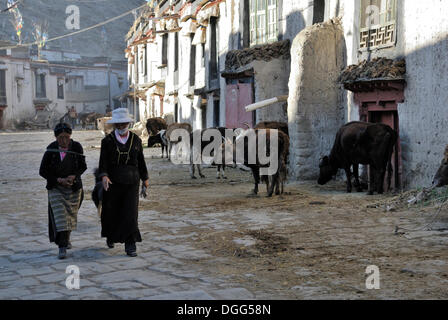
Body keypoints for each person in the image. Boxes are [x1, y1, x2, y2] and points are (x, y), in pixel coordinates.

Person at [98, 108, 149, 257]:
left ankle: (130, 244)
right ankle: (111, 236)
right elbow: (103, 162)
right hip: (112, 182)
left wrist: (145, 178)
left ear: (128, 123)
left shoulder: (136, 140)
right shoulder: (107, 141)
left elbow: (141, 161)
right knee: (111, 211)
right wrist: (104, 176)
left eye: (123, 124)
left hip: (132, 181)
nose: (121, 127)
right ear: (115, 125)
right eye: (118, 124)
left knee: (130, 213)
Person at [39, 123, 87, 259]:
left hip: (73, 187)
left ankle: (66, 238)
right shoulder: (51, 150)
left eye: (67, 137)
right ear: (55, 137)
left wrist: (74, 176)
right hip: (56, 188)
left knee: (70, 216)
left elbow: (83, 166)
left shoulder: (76, 147)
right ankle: (62, 246)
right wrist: (59, 180)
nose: (64, 141)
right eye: (61, 138)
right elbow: (42, 171)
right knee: (60, 217)